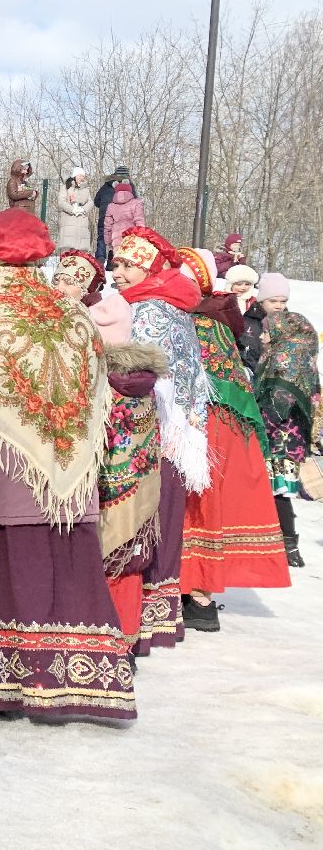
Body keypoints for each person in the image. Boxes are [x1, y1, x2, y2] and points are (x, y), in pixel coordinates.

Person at [0, 209, 132, 719]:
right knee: (60, 576)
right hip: (62, 484)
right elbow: (94, 391)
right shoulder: (73, 316)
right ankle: (74, 683)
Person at [174, 248, 290, 631]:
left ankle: (199, 597)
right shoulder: (211, 319)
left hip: (210, 424)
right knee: (201, 506)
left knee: (202, 506)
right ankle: (194, 594)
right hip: (213, 423)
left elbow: (203, 381)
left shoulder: (201, 321)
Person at [110, 226, 211, 652]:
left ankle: (129, 626)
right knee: (162, 523)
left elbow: (139, 381)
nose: (116, 273)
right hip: (176, 437)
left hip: (149, 434)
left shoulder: (148, 311)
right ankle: (155, 619)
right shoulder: (174, 308)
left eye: (124, 266)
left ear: (145, 267)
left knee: (138, 525)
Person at [86, 291, 167, 649]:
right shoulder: (145, 385)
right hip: (139, 493)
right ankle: (127, 640)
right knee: (128, 566)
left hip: (97, 495)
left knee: (95, 566)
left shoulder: (98, 382)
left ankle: (98, 638)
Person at [255, 310, 320, 568]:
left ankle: (286, 545)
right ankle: (283, 543)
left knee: (277, 491)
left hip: (280, 439)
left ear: (281, 332)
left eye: (267, 330)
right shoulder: (291, 354)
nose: (262, 336)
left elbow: (278, 401)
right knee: (275, 492)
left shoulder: (287, 358)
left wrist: (255, 427)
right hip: (288, 438)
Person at [242, 273, 289, 379]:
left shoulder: (288, 324)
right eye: (273, 301)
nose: (278, 306)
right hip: (248, 379)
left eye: (283, 302)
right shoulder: (246, 322)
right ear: (261, 301)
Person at [92, 167, 129, 261]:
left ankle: (100, 259)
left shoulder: (105, 186)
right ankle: (111, 262)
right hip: (119, 217)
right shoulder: (128, 186)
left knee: (102, 237)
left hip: (104, 216)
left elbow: (96, 201)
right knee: (116, 237)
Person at [103, 180, 145, 252]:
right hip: (132, 236)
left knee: (120, 261)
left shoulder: (111, 206)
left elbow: (107, 226)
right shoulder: (136, 203)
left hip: (116, 238)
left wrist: (108, 241)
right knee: (132, 260)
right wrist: (141, 235)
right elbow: (139, 220)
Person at [57, 168, 92, 250]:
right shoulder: (66, 187)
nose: (82, 178)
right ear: (75, 176)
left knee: (81, 251)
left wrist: (83, 209)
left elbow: (90, 202)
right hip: (69, 220)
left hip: (82, 221)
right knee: (68, 249)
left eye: (83, 176)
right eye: (80, 175)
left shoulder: (86, 189)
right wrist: (72, 210)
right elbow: (61, 202)